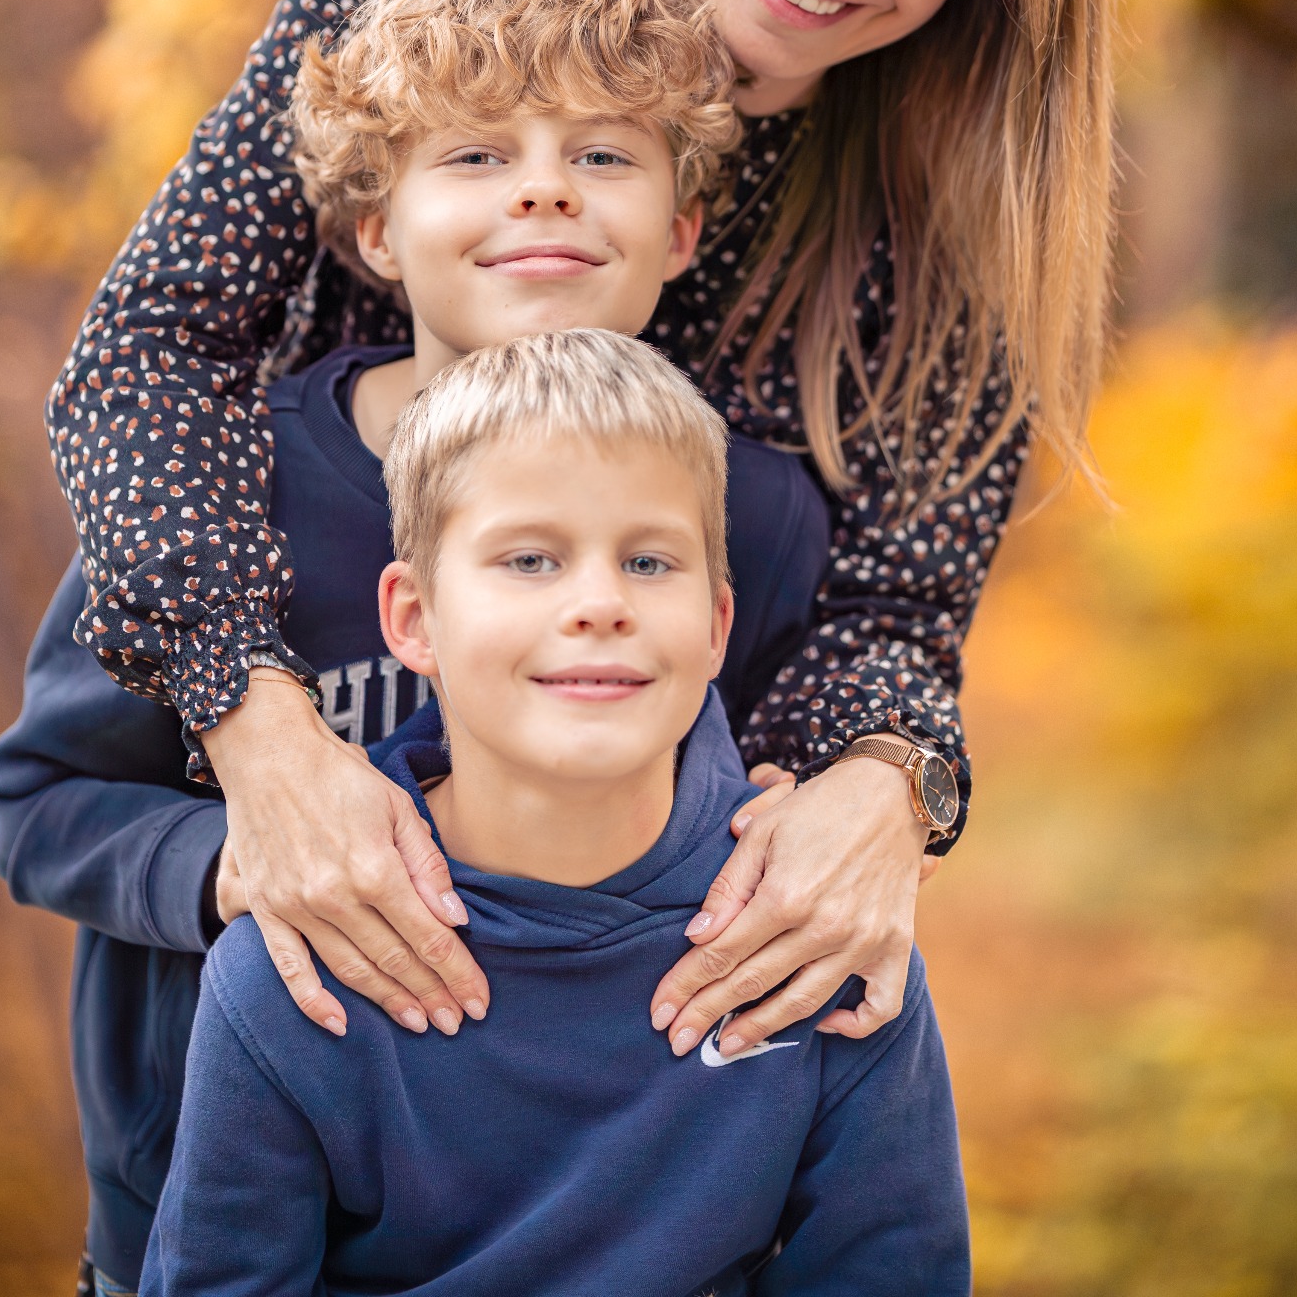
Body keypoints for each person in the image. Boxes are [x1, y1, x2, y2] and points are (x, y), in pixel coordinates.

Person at [45, 0, 1116, 1066]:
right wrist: (263, 741)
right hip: (248, 1011)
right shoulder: (434, 9)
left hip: (612, 1056)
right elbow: (154, 345)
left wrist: (884, 782)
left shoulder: (944, 225)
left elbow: (889, 622)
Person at [0, 0, 835, 1297]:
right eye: (479, 154)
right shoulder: (225, 487)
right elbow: (36, 805)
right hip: (207, 1223)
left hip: (605, 1226)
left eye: (603, 154)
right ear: (377, 228)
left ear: (682, 228)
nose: (545, 190)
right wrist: (235, 866)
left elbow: (764, 820)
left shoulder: (757, 519)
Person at [142, 330, 971, 1297]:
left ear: (716, 626)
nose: (599, 603)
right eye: (530, 559)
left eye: (649, 562)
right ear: (413, 618)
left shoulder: (820, 935)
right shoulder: (300, 966)